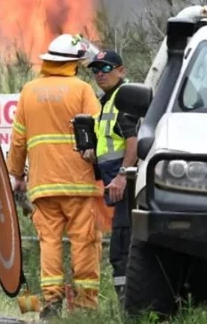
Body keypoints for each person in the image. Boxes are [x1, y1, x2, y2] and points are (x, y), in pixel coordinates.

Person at [6, 34, 103, 318]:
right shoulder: (82, 90)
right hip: (79, 183)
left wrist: (16, 175)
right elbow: (97, 133)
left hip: (43, 184)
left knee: (49, 242)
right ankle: (85, 304)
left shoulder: (29, 91)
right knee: (83, 241)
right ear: (74, 62)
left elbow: (19, 139)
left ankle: (52, 301)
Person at [83, 50, 138, 303]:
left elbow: (133, 140)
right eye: (95, 70)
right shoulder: (108, 100)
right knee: (121, 249)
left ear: (121, 70)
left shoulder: (124, 100)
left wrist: (122, 176)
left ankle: (131, 309)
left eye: (106, 68)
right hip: (116, 186)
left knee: (121, 251)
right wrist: (94, 153)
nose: (99, 74)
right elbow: (113, 142)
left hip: (126, 187)